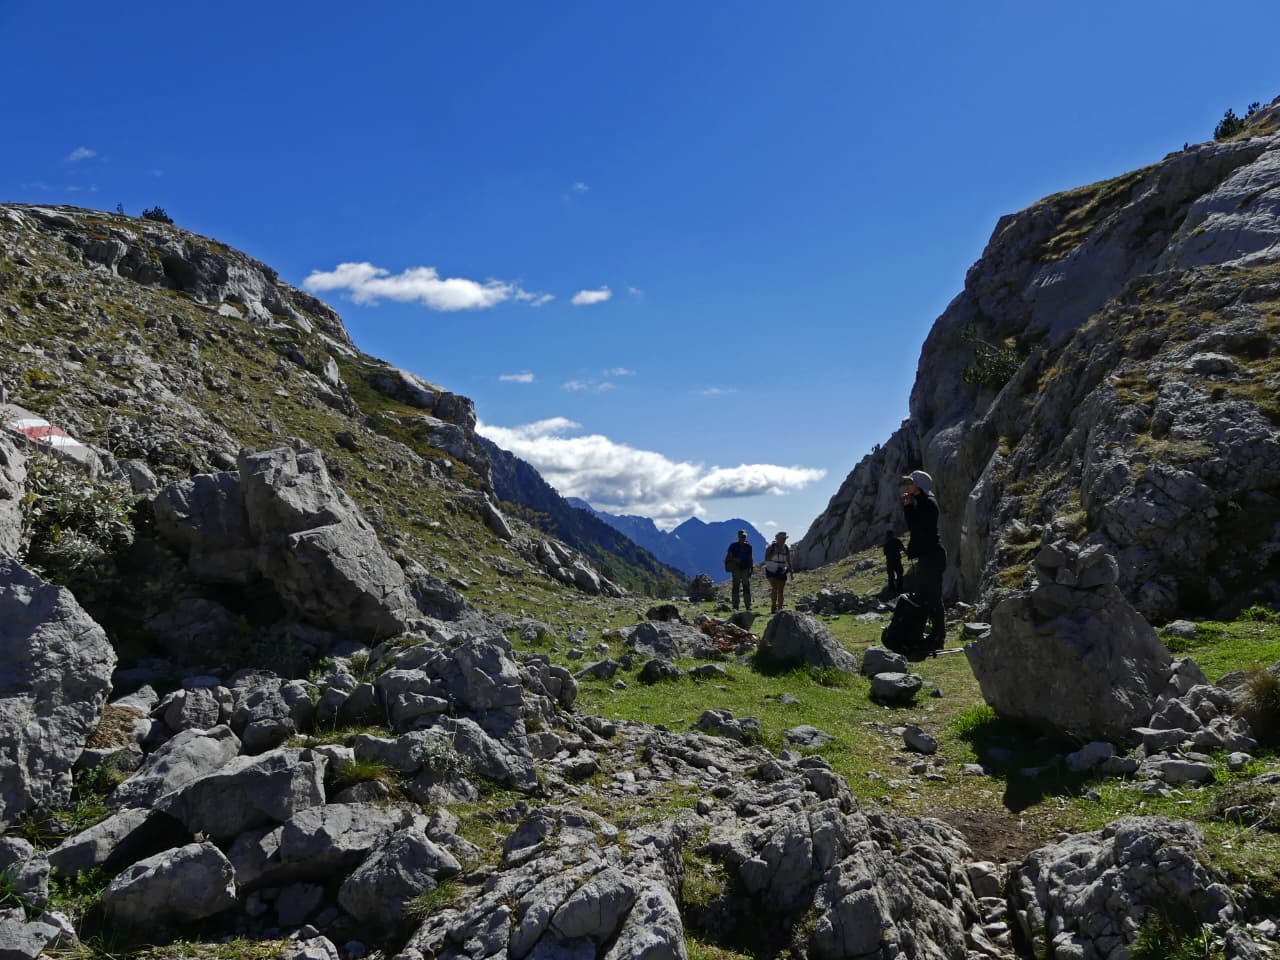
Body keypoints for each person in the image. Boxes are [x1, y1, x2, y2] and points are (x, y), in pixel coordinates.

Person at [901, 469, 946, 651]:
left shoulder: (927, 504)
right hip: (929, 556)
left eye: (910, 482)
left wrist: (908, 507)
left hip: (931, 556)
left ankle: (938, 638)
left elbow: (916, 529)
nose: (907, 485)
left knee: (933, 598)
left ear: (919, 485)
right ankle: (928, 636)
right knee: (926, 597)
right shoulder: (922, 502)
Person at [724, 529, 754, 611]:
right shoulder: (733, 546)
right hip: (736, 568)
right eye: (741, 536)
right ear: (738, 536)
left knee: (746, 586)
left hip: (745, 567)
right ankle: (735, 606)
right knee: (736, 586)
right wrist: (735, 559)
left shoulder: (748, 546)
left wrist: (751, 568)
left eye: (744, 536)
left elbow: (750, 558)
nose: (743, 538)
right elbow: (729, 555)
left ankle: (748, 605)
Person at [764, 531, 793, 613]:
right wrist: (774, 552)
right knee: (774, 588)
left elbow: (788, 560)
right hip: (771, 570)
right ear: (777, 539)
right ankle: (774, 606)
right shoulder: (771, 547)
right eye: (781, 538)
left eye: (784, 538)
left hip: (782, 570)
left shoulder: (786, 548)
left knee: (780, 590)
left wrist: (791, 571)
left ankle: (780, 609)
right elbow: (766, 558)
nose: (783, 540)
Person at [883, 530, 905, 595]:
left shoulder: (886, 543)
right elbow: (902, 548)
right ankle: (900, 588)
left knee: (891, 576)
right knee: (899, 574)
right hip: (897, 560)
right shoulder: (896, 540)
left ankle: (892, 590)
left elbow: (885, 553)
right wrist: (907, 553)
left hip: (889, 561)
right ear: (892, 534)